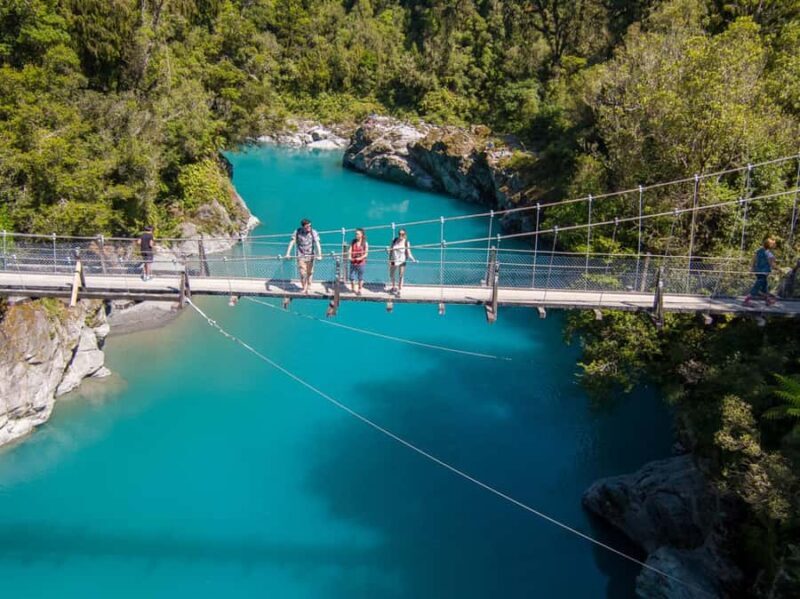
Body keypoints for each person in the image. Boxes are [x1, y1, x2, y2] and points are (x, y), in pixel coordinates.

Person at [285, 218, 322, 294]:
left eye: (310, 226)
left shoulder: (313, 232)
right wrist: (287, 253)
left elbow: (317, 243)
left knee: (310, 272)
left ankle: (308, 286)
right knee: (303, 273)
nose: (309, 228)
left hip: (311, 256)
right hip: (301, 255)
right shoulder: (298, 232)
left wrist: (320, 255)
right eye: (307, 226)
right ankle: (304, 288)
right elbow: (292, 242)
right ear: (303, 227)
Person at [744, 238, 778, 306]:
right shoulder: (769, 254)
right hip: (764, 272)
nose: (775, 245)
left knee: (764, 287)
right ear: (770, 245)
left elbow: (754, 260)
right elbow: (772, 264)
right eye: (774, 244)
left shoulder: (759, 251)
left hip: (758, 271)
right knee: (757, 287)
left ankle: (768, 300)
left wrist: (752, 269)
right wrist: (779, 269)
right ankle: (746, 301)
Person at [388, 228, 417, 294]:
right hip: (394, 260)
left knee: (401, 274)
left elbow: (409, 253)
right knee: (391, 274)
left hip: (402, 260)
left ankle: (399, 289)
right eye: (399, 234)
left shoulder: (406, 242)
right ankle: (393, 286)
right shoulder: (394, 240)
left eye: (402, 234)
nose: (401, 235)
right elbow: (391, 251)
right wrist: (389, 259)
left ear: (405, 235)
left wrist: (413, 259)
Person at [348, 228, 369, 295]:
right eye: (356, 234)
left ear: (361, 235)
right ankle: (353, 288)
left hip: (361, 263)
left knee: (360, 277)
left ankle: (359, 289)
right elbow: (350, 250)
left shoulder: (365, 243)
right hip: (353, 262)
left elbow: (366, 253)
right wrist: (349, 256)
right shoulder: (353, 242)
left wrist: (360, 258)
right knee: (351, 277)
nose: (356, 235)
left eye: (357, 234)